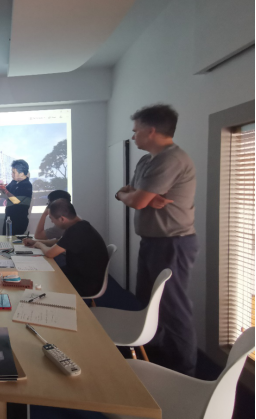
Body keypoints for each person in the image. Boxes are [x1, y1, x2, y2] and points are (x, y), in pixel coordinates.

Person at [115, 104, 198, 376]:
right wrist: (132, 196)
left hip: (173, 243)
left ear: (151, 131)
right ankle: (157, 358)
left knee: (173, 307)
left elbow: (136, 200)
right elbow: (126, 192)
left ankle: (184, 372)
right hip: (151, 241)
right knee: (147, 303)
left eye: (136, 130)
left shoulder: (171, 159)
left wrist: (137, 198)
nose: (133, 135)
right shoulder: (145, 161)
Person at [23, 199, 108, 298]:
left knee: (43, 280)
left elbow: (50, 253)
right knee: (46, 274)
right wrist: (36, 242)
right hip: (80, 274)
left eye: (52, 219)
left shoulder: (76, 231)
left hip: (85, 283)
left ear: (62, 219)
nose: (52, 222)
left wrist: (39, 244)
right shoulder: (81, 225)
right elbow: (58, 242)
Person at [0, 159, 33, 235]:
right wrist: (2, 188)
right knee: (5, 239)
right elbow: (7, 191)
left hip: (19, 221)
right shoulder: (14, 182)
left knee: (15, 241)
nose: (11, 174)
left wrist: (5, 190)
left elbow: (16, 201)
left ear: (21, 173)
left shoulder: (27, 185)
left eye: (13, 172)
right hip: (9, 218)